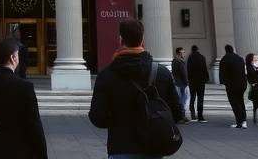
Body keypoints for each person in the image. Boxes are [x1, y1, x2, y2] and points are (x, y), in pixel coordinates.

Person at [89, 18, 183, 157]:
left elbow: (97, 117)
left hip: (121, 147)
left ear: (120, 40)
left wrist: (119, 122)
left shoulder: (106, 76)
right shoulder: (161, 73)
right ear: (142, 40)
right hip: (153, 148)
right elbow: (177, 112)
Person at [218, 43, 248, 129]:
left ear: (226, 50)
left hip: (231, 85)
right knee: (241, 101)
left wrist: (223, 82)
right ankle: (244, 120)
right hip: (242, 84)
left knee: (234, 103)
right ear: (233, 49)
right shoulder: (240, 58)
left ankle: (239, 122)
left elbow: (222, 73)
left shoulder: (224, 59)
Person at [186, 44, 209, 122]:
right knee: (200, 98)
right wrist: (206, 78)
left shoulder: (190, 58)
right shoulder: (202, 57)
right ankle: (200, 116)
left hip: (192, 81)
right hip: (201, 81)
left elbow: (188, 70)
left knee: (192, 97)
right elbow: (205, 69)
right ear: (197, 49)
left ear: (192, 50)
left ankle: (193, 115)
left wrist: (188, 79)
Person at [172, 47, 189, 123]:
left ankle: (181, 116)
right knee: (183, 100)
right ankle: (182, 116)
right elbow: (183, 73)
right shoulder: (180, 61)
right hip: (182, 83)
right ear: (179, 52)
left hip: (177, 82)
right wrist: (187, 82)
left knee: (180, 99)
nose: (183, 53)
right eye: (183, 52)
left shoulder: (174, 61)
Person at [245, 53, 258, 126]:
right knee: (257, 104)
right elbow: (251, 77)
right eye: (254, 58)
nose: (256, 60)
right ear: (251, 59)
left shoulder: (254, 67)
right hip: (255, 87)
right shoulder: (249, 67)